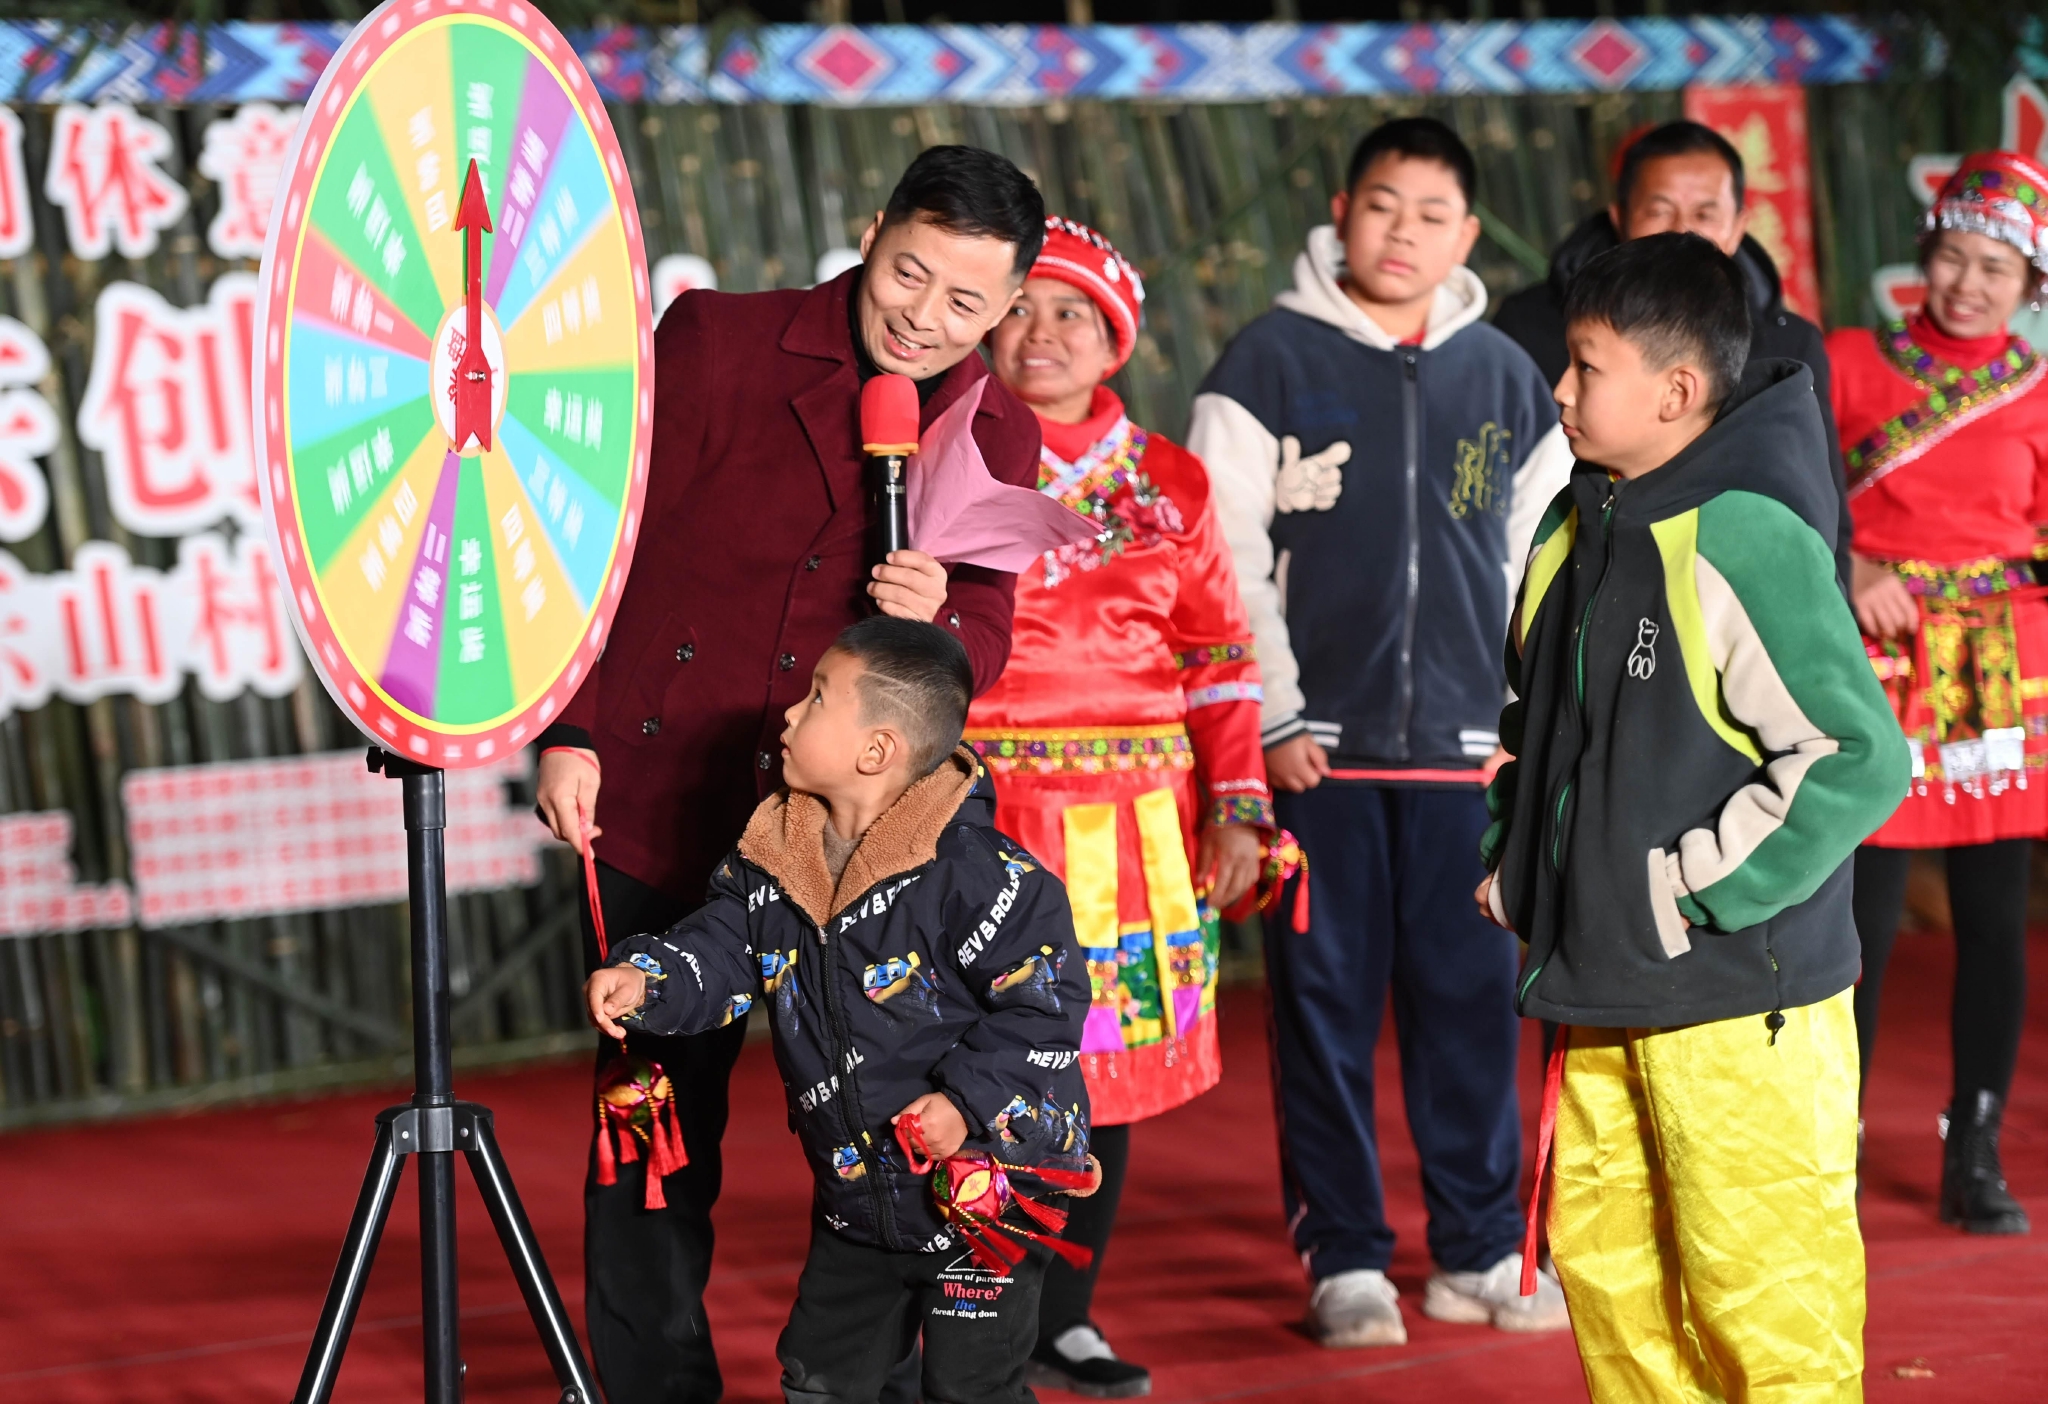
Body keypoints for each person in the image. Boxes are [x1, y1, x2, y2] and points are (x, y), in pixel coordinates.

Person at [531, 146, 1046, 1401]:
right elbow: (587, 529)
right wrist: (573, 725)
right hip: (660, 801)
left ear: (1007, 306)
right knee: (649, 1140)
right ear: (870, 230)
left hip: (859, 847)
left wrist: (937, 617)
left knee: (898, 1134)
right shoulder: (716, 341)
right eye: (907, 273)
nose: (923, 316)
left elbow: (981, 635)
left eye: (965, 304)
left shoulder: (995, 429)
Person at [1478, 232, 1908, 1402]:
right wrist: (1515, 863)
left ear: (1674, 390)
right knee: (1619, 1299)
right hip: (1598, 982)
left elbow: (1855, 756)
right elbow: (1535, 724)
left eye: (1583, 366)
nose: (1557, 390)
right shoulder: (1575, 522)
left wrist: (1689, 889)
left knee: (1764, 1304)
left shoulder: (1743, 533)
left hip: (1737, 1002)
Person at [1187, 116, 1574, 1349]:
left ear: (1465, 234)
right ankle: (1345, 1257)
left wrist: (1526, 728)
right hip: (1322, 759)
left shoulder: (1505, 377)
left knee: (1470, 1010)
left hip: (1469, 764)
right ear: (1340, 212)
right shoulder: (1267, 363)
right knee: (1323, 1010)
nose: (1401, 232)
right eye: (1381, 205)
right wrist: (1277, 719)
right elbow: (1222, 567)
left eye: (1430, 214)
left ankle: (1476, 1251)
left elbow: (1543, 569)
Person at [583, 618, 1093, 1404]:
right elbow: (720, 950)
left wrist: (964, 1104)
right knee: (819, 1381)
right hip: (858, 1204)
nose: (789, 713)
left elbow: (1042, 1008)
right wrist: (647, 979)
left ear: (876, 750)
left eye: (817, 698)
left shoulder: (984, 875)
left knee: (970, 1389)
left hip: (984, 1196)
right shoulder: (774, 855)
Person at [969, 216, 1272, 1396]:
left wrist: (1235, 803)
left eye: (1071, 316)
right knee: (966, 1067)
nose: (1038, 335)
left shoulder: (1171, 480)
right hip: (978, 811)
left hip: (1129, 821)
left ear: (1114, 343)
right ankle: (957, 1315)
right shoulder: (944, 460)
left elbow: (1217, 657)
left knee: (1098, 1069)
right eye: (1018, 308)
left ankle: (1063, 1313)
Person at [1831, 149, 2048, 1236]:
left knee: (1993, 921)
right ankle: (1834, 1146)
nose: (1966, 285)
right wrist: (1847, 568)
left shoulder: (2038, 389)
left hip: (2003, 673)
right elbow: (1783, 498)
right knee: (1858, 922)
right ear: (1921, 259)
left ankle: (1973, 1147)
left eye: (1994, 271)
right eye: (1952, 260)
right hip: (1871, 659)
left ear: (2027, 290)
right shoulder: (1839, 363)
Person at [1491, 119, 1854, 589]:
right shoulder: (1531, 326)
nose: (1683, 233)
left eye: (1705, 215)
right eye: (1659, 211)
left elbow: (1818, 507)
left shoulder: (1787, 345)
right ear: (1620, 217)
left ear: (1740, 225)